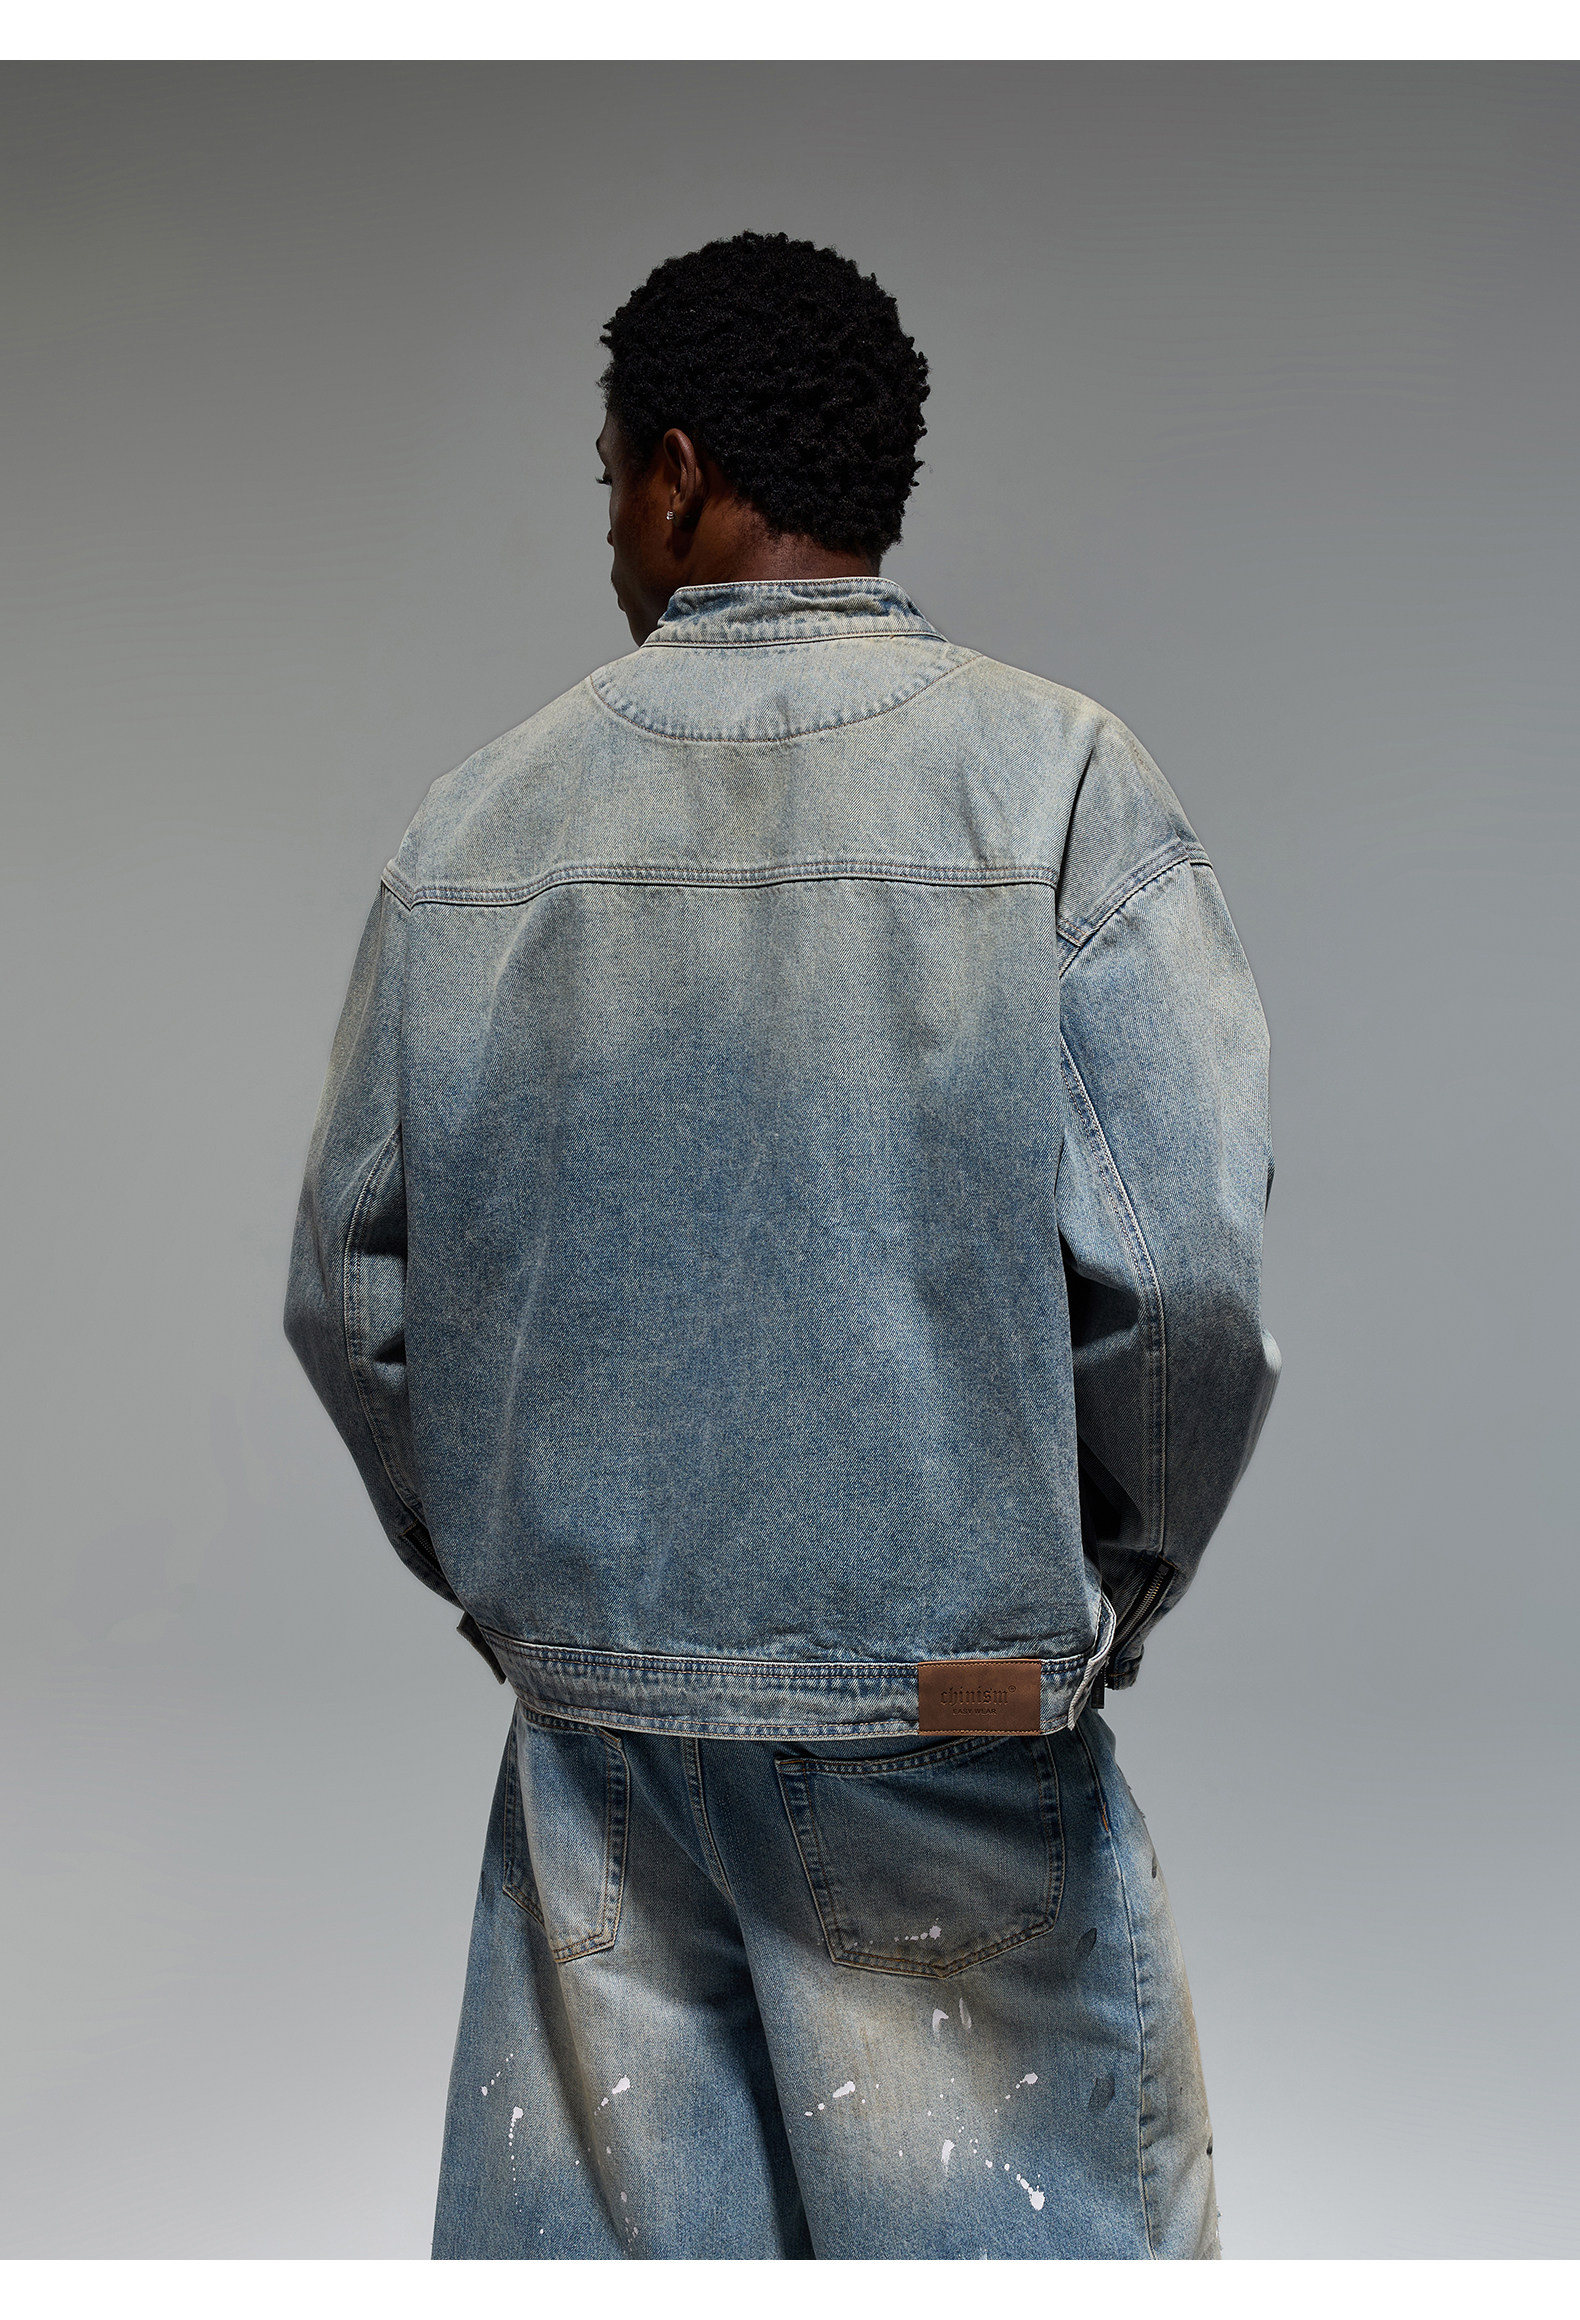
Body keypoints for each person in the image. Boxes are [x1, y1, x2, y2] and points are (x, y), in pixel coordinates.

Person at [285, 230, 1279, 2261]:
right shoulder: (1058, 785)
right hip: (952, 1713)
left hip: (602, 1742)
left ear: (678, 472)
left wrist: (526, 1590)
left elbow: (350, 1289)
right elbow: (1183, 1280)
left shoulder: (477, 825)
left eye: (607, 481)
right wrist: (1099, 1589)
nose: (608, 531)